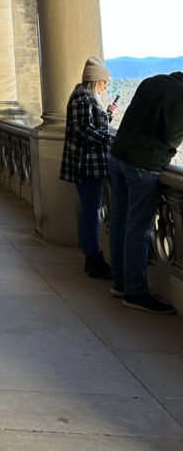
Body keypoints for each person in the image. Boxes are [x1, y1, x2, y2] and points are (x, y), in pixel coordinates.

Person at [109, 71, 183, 313]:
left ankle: (119, 282)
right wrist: (167, 151)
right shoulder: (180, 95)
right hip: (144, 163)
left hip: (119, 156)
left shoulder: (152, 81)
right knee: (138, 229)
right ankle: (134, 291)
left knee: (119, 223)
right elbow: (172, 135)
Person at [59, 56, 116, 279]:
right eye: (104, 82)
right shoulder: (83, 98)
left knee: (90, 211)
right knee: (91, 212)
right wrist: (112, 139)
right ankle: (93, 258)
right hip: (88, 165)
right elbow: (83, 129)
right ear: (95, 80)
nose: (105, 86)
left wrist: (107, 115)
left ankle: (92, 257)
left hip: (89, 164)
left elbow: (88, 126)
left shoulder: (85, 97)